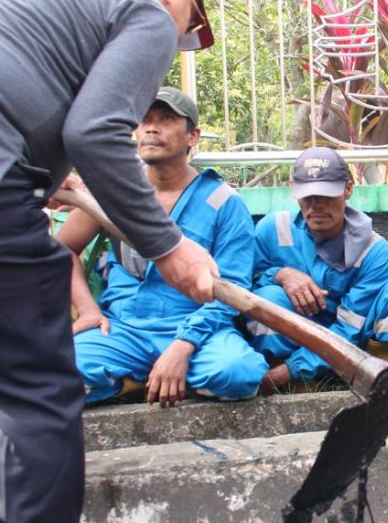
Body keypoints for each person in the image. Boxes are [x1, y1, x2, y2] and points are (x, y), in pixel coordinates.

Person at [0, 0, 217, 523]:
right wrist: (170, 246)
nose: (179, 40)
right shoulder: (143, 8)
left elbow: (20, 95)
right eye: (190, 24)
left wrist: (34, 175)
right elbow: (96, 130)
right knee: (32, 389)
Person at [61, 88, 268, 407]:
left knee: (239, 373)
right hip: (123, 329)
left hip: (198, 329)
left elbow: (234, 288)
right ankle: (133, 378)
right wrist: (88, 309)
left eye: (167, 119)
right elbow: (61, 249)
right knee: (53, 374)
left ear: (192, 136)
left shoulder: (223, 202)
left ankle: (155, 376)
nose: (151, 128)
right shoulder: (115, 192)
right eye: (144, 120)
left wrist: (184, 344)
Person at [248, 147, 388, 391]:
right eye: (308, 196)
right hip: (294, 341)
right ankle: (297, 386)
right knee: (267, 298)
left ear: (348, 188)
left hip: (355, 348)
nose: (316, 205)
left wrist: (290, 370)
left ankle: (380, 379)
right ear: (294, 191)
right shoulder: (272, 229)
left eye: (326, 194)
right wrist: (281, 275)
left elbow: (348, 330)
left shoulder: (376, 252)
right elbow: (244, 285)